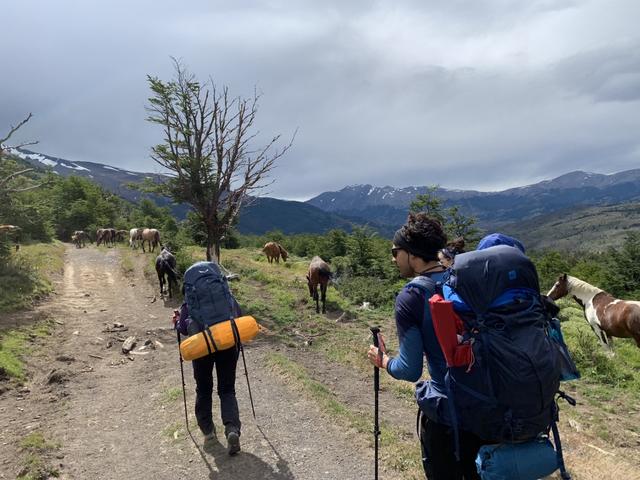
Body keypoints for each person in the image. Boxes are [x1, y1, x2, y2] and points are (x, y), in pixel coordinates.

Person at [366, 213, 484, 480]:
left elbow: (409, 370)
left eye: (395, 252)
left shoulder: (412, 295)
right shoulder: (463, 280)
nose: (393, 259)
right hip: (491, 406)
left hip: (449, 416)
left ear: (411, 254)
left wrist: (383, 360)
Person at [173, 290, 243, 455]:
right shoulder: (224, 294)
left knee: (203, 389)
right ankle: (232, 428)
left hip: (202, 348)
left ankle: (208, 431)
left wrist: (176, 321)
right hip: (227, 344)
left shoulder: (190, 300)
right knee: (227, 389)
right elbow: (238, 315)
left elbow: (183, 328)